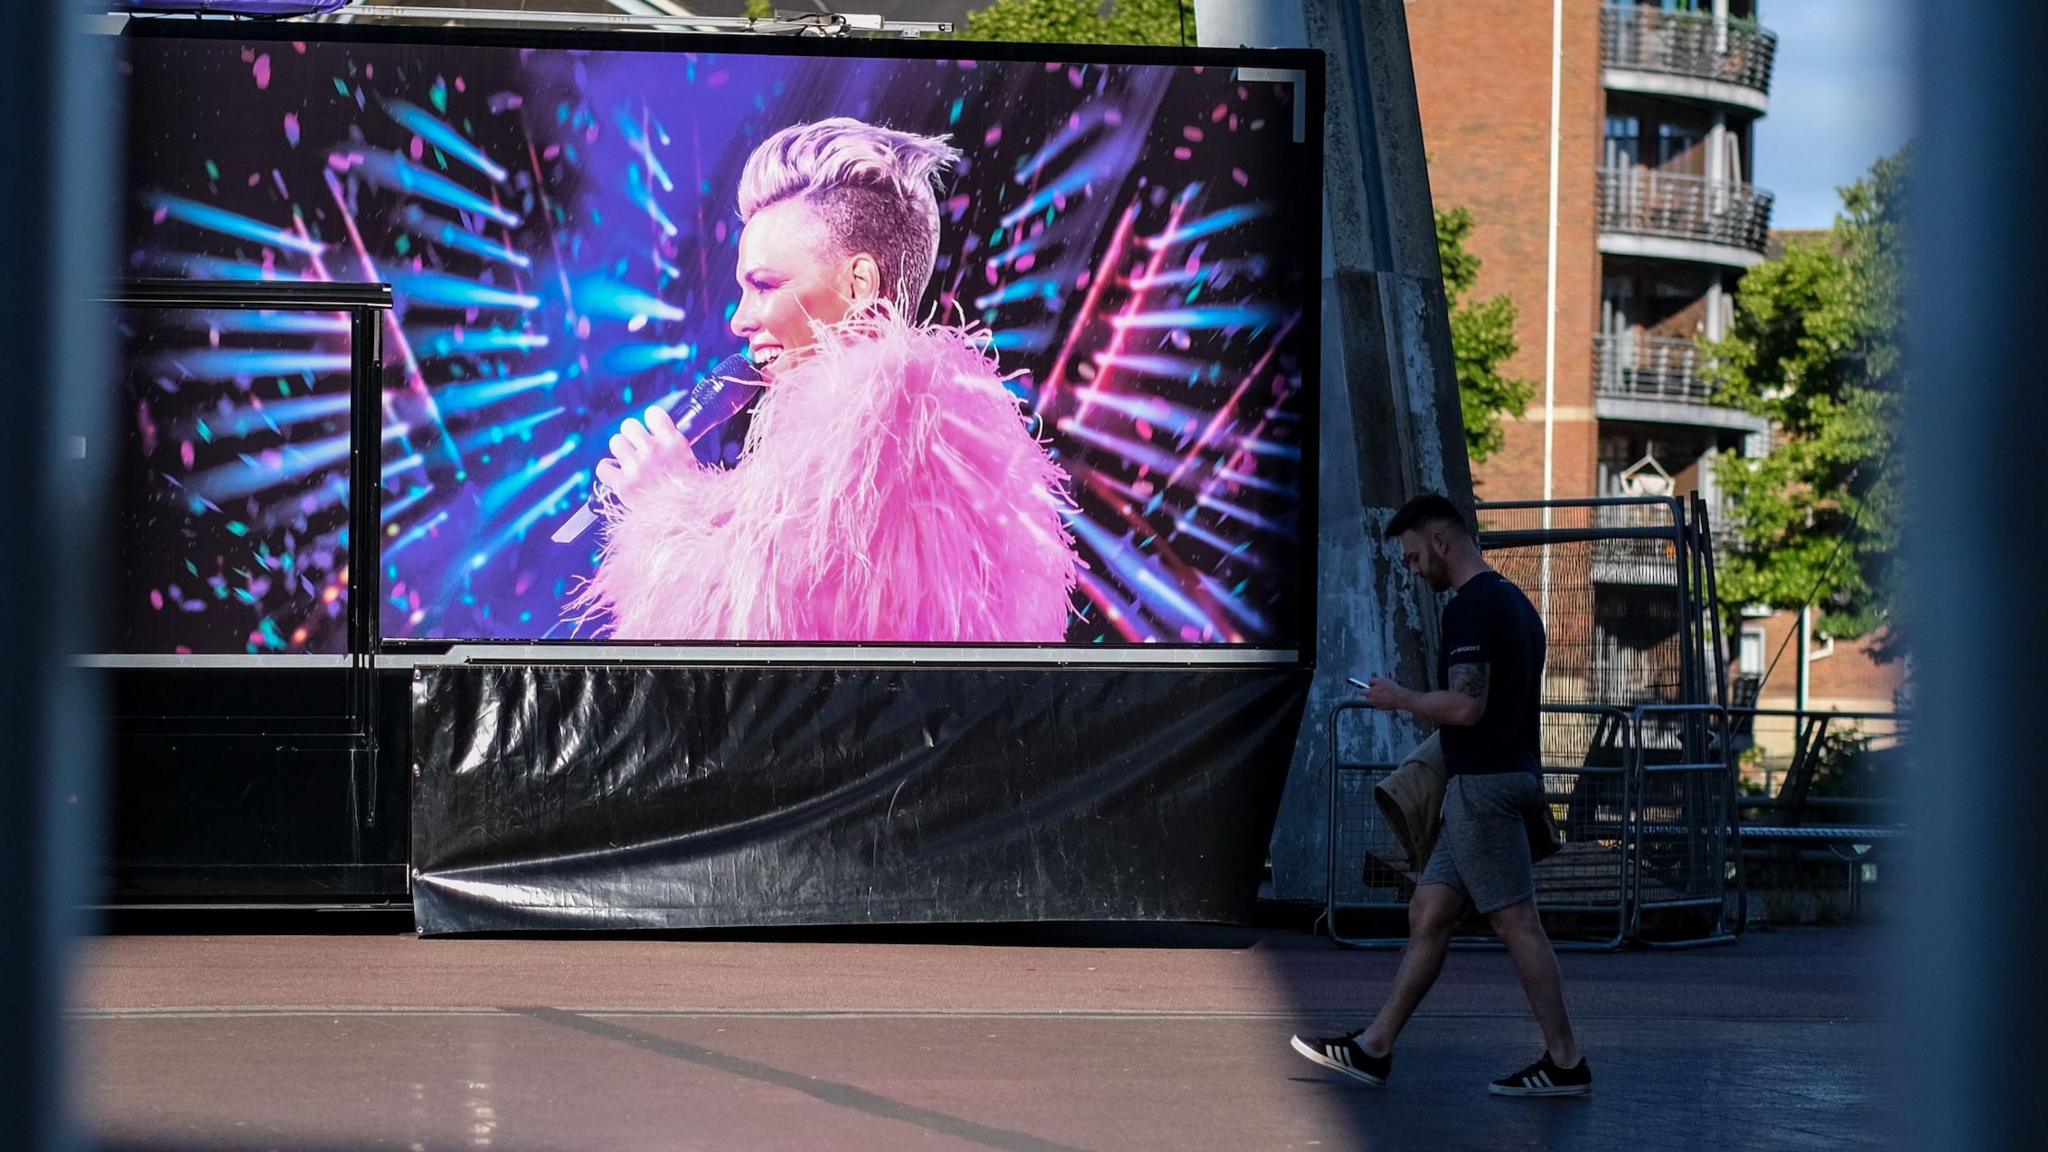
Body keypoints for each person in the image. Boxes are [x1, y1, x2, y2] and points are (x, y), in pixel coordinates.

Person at [570, 117, 1079, 642]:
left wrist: (665, 503)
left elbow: (761, 645)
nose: (739, 320)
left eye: (764, 285)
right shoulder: (888, 442)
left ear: (858, 284)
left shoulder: (898, 421)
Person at [1290, 493, 1591, 1097]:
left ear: (1440, 542)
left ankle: (1566, 1063)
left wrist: (1399, 697)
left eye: (1412, 557)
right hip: (1492, 784)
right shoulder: (1515, 603)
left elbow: (1466, 705)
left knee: (1517, 924)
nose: (1413, 569)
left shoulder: (1470, 609)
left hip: (1484, 790)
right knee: (1428, 912)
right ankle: (1374, 1048)